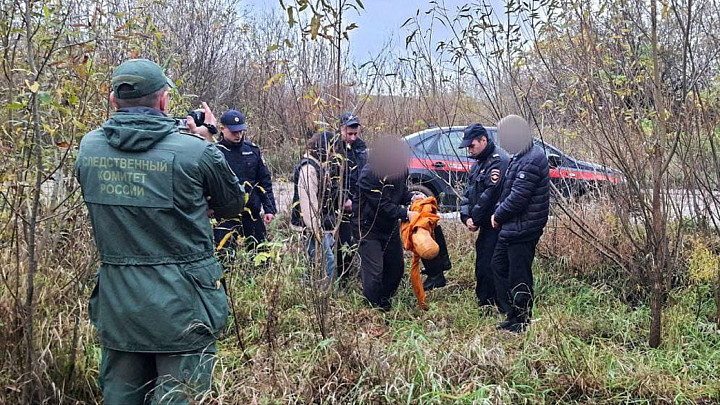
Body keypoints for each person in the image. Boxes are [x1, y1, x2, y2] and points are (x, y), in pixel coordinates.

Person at [75, 59, 246, 404]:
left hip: (119, 304)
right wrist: (207, 139)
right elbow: (232, 204)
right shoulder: (196, 152)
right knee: (182, 395)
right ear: (164, 101)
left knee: (121, 396)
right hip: (184, 305)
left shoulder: (89, 148)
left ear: (113, 101)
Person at [490, 115, 550, 332]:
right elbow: (508, 191)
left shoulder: (533, 158)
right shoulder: (520, 157)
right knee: (498, 265)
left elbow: (518, 198)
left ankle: (522, 320)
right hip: (512, 228)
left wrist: (498, 215)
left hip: (524, 229)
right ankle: (512, 313)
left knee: (519, 276)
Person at [355, 136, 418, 310]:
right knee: (375, 272)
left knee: (396, 268)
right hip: (368, 228)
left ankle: (385, 302)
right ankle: (372, 308)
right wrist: (406, 214)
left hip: (389, 227)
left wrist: (412, 197)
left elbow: (401, 192)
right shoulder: (369, 174)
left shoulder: (401, 170)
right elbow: (383, 204)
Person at [458, 123, 509, 310]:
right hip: (484, 223)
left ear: (483, 140)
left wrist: (476, 219)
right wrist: (465, 216)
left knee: (491, 264)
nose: (469, 150)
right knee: (483, 262)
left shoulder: (498, 161)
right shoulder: (479, 163)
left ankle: (494, 302)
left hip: (496, 224)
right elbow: (468, 192)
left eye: (471, 146)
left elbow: (490, 195)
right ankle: (485, 301)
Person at [214, 110, 277, 251]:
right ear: (222, 129)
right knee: (225, 256)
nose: (238, 135)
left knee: (261, 254)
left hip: (252, 213)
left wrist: (269, 209)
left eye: (241, 131)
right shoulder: (215, 152)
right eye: (234, 131)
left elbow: (264, 181)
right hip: (226, 215)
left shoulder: (252, 150)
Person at [290, 131, 343, 279]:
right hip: (310, 228)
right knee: (327, 262)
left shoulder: (319, 165)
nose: (334, 154)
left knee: (318, 263)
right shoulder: (309, 169)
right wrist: (316, 229)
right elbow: (308, 203)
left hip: (318, 226)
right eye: (332, 150)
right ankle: (325, 294)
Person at [336, 112, 367, 279]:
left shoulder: (361, 148)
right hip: (341, 205)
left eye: (356, 133)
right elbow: (333, 180)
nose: (353, 137)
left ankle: (357, 275)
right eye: (350, 134)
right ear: (342, 130)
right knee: (343, 243)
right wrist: (343, 199)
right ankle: (342, 278)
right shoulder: (335, 149)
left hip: (358, 204)